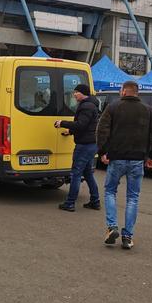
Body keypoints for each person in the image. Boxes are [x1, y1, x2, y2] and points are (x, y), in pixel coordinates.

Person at [96, 80, 152, 250]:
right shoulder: (149, 110)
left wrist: (103, 152)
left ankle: (112, 227)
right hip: (137, 159)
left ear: (124, 91)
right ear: (137, 92)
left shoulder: (112, 107)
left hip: (116, 157)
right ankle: (128, 236)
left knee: (110, 191)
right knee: (133, 197)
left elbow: (101, 130)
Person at [54, 84, 101, 212]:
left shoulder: (86, 106)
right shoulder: (91, 105)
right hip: (90, 144)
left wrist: (62, 123)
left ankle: (70, 203)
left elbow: (81, 125)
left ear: (83, 93)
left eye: (76, 92)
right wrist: (70, 131)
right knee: (88, 173)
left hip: (84, 146)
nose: (74, 94)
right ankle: (95, 201)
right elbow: (87, 126)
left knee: (75, 174)